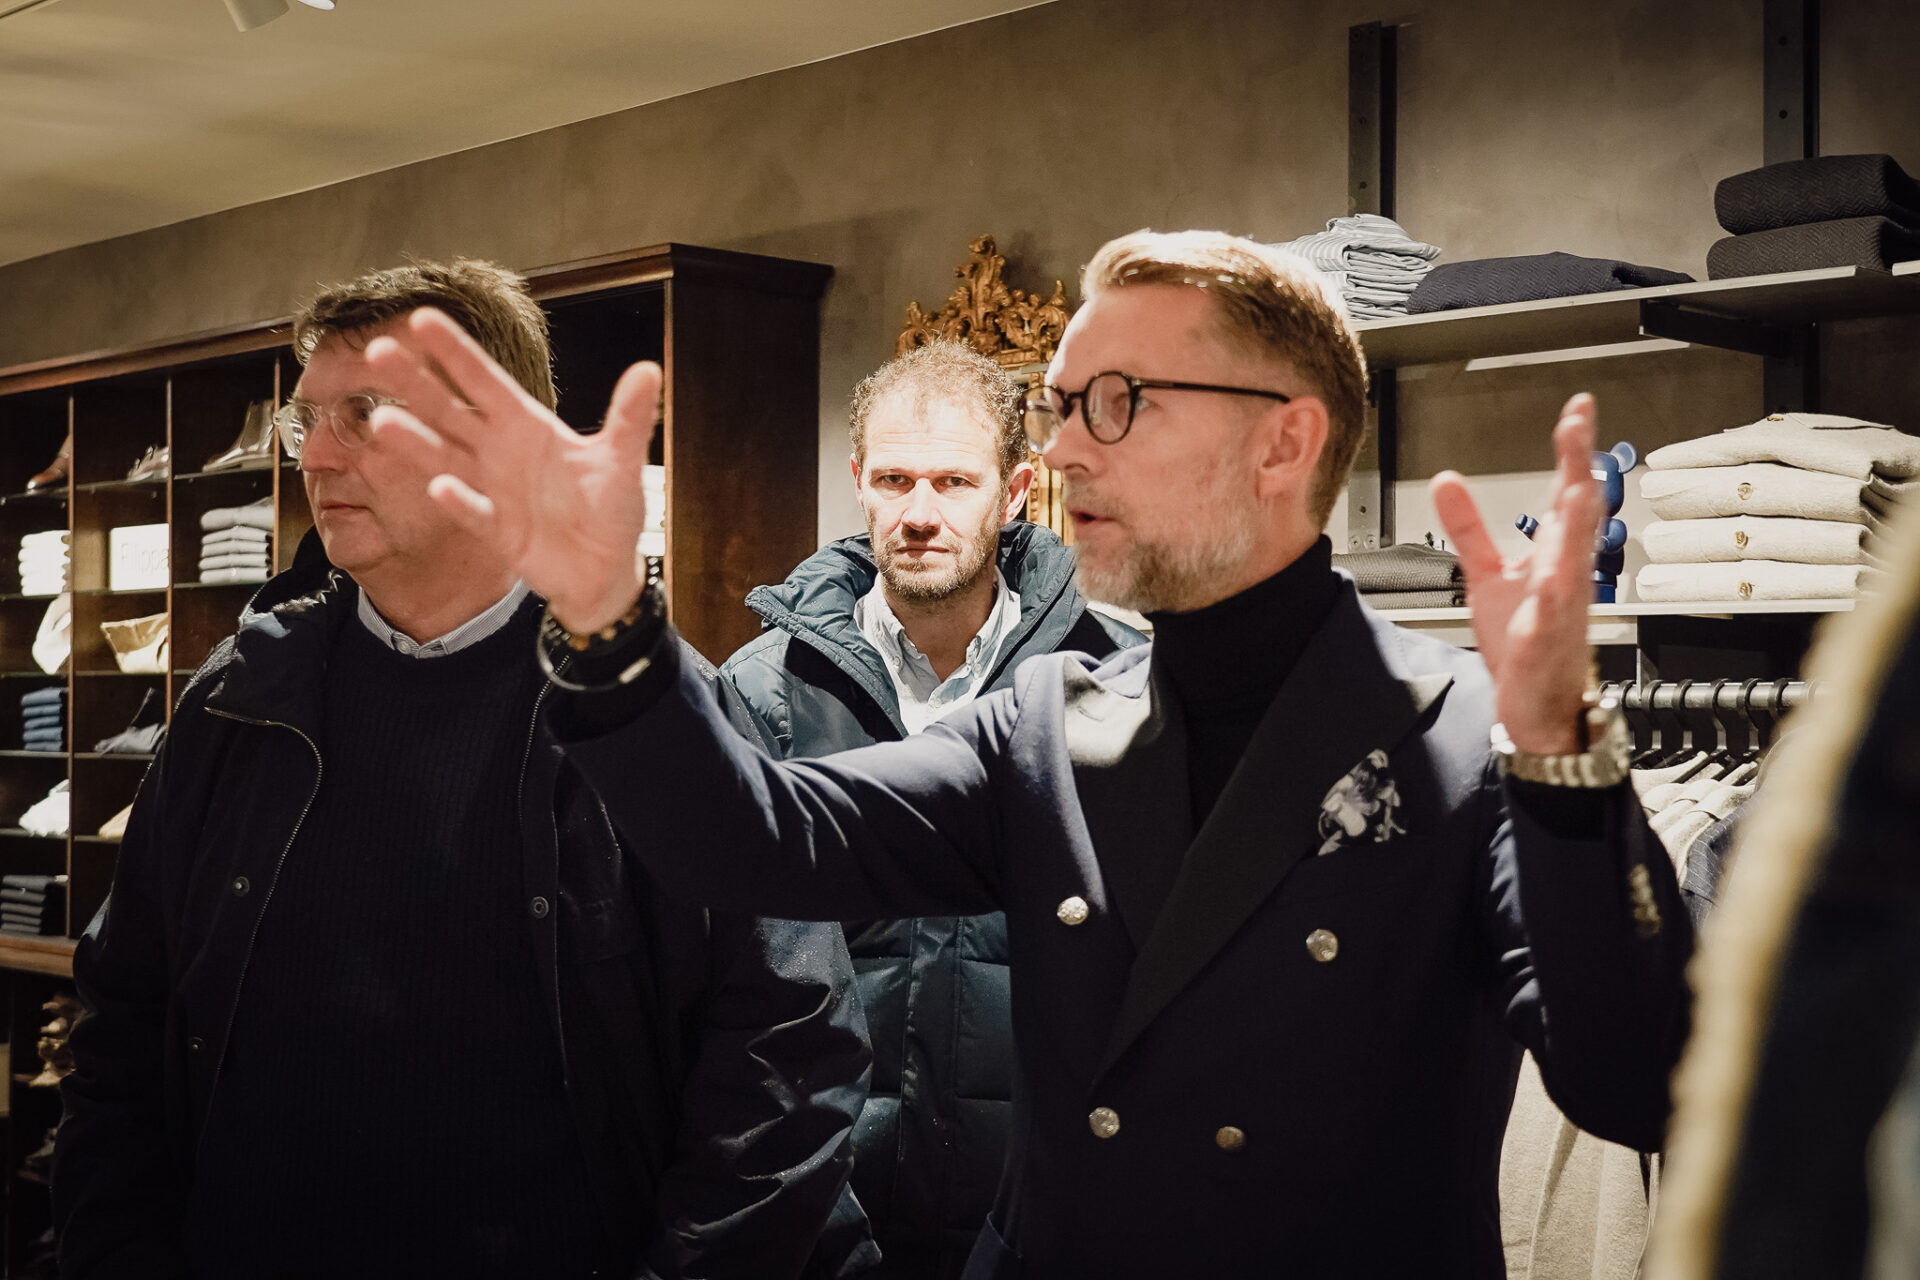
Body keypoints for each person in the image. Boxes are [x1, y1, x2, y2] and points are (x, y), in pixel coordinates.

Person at [358, 230, 1694, 1279]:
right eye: (1061, 404)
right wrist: (607, 626)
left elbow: (1640, 1087)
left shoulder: (1462, 736)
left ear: (1284, 437)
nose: (1056, 451)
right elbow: (751, 836)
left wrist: (1564, 753)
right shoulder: (1055, 723)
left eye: (1115, 401)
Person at [51, 259, 874, 1280]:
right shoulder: (240, 696)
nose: (319, 456)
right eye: (309, 420)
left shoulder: (645, 704)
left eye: (365, 413)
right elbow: (124, 1005)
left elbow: (789, 1047)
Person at [721, 339, 1141, 1278]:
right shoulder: (761, 695)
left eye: (954, 482)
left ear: (1018, 489)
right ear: (860, 481)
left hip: (1045, 1211)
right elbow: (720, 985)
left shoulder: (1113, 689)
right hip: (818, 1209)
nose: (919, 514)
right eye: (896, 481)